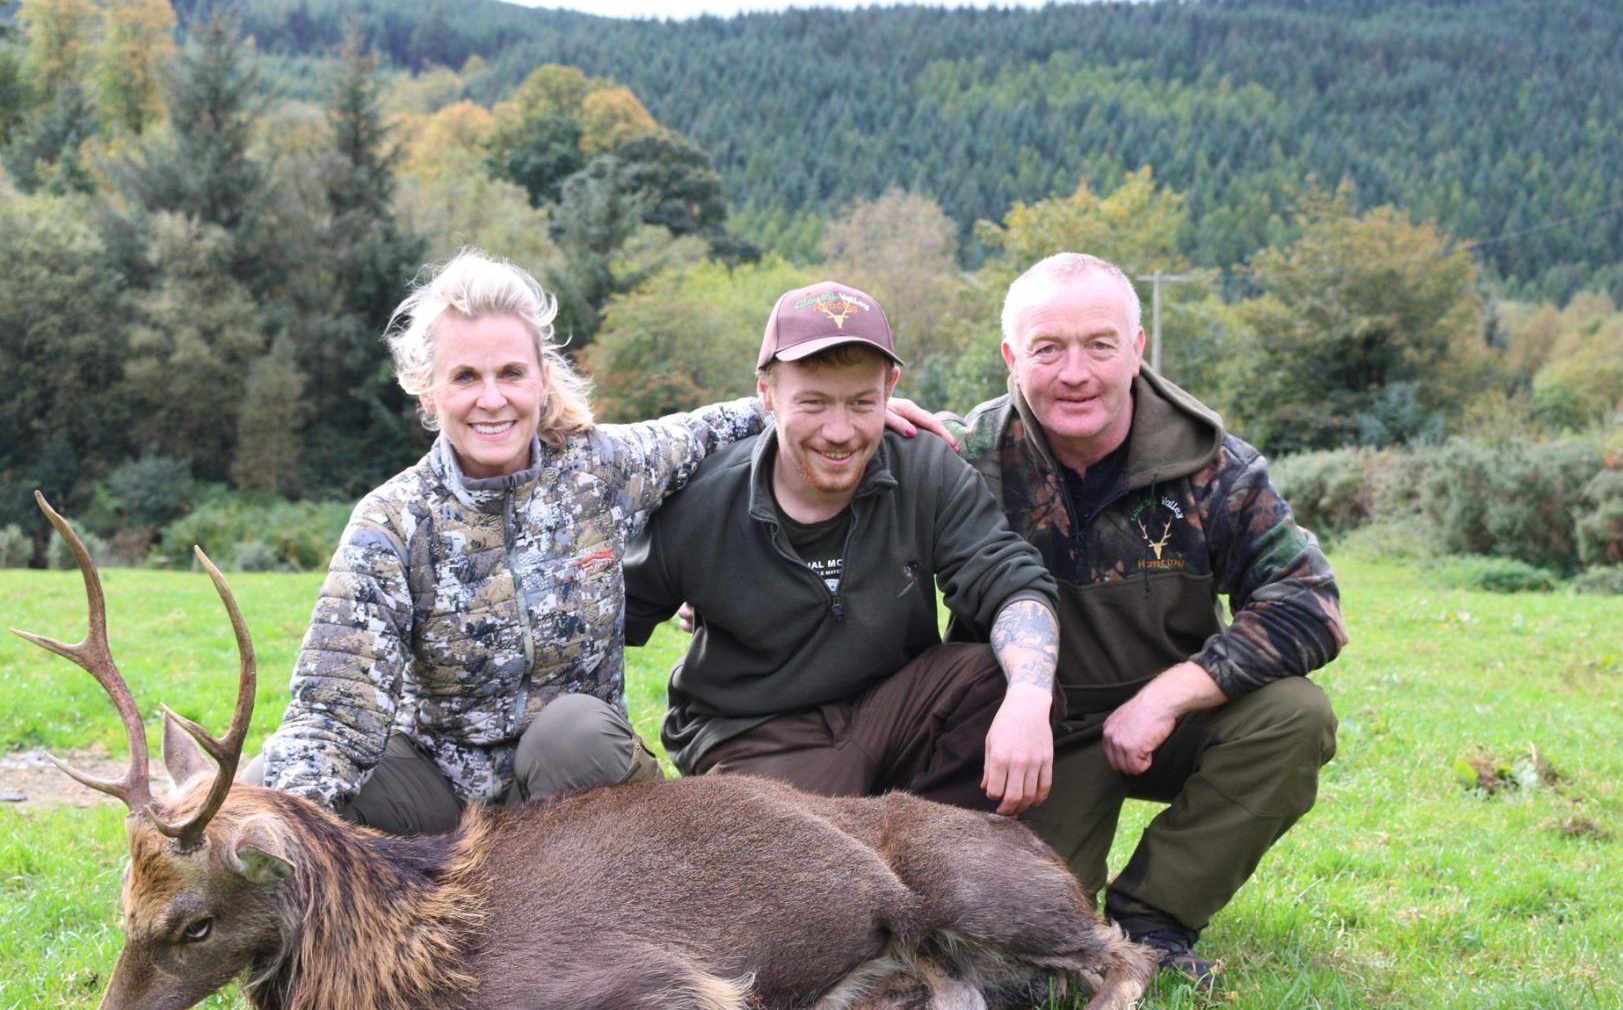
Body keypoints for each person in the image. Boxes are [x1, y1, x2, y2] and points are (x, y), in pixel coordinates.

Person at [902, 252, 1346, 982]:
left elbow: (1310, 604)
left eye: (1100, 345)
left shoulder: (1214, 467)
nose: (1075, 372)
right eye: (1048, 349)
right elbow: (816, 439)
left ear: (1137, 349)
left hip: (1167, 726)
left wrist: (1168, 696)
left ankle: (1157, 918)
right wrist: (869, 419)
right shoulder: (959, 456)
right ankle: (1075, 906)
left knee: (1295, 715)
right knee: (1024, 956)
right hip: (1028, 738)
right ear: (1012, 357)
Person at [253, 252, 772, 835]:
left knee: (573, 732)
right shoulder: (393, 522)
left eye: (510, 373)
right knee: (266, 790)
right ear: (427, 390)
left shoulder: (601, 470)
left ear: (542, 378)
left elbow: (729, 425)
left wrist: (831, 410)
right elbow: (334, 708)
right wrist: (285, 822)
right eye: (465, 377)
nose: (492, 399)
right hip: (442, 796)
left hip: (573, 785)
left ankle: (615, 882)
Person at [624, 280, 1061, 815]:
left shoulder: (924, 468)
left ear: (890, 388)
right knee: (804, 852)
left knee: (1010, 678)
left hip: (894, 707)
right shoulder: (703, 501)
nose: (839, 431)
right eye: (813, 402)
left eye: (861, 403)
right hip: (761, 735)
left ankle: (929, 846)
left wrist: (1029, 696)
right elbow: (610, 622)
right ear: (766, 393)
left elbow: (1011, 583)